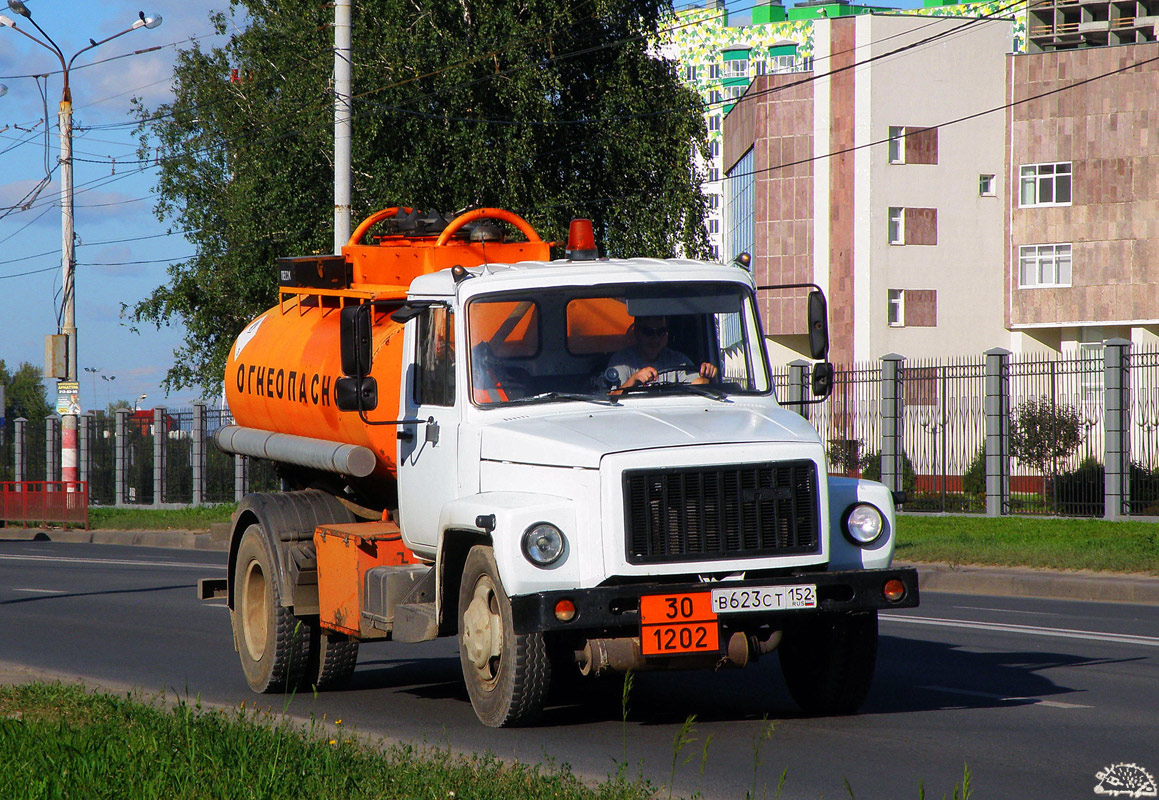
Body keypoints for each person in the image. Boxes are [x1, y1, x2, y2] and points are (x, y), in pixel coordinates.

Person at [606, 315, 718, 389]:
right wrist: (634, 380)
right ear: (637, 333)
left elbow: (698, 384)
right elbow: (612, 398)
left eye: (661, 332)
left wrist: (706, 375)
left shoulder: (679, 361)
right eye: (649, 332)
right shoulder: (621, 361)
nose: (655, 339)